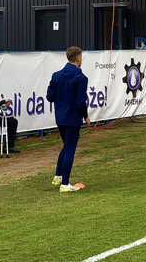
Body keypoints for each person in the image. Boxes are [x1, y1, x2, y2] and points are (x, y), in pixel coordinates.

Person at [46, 46, 88, 191]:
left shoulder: (56, 76)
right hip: (73, 118)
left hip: (60, 117)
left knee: (66, 146)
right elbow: (80, 102)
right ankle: (65, 184)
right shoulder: (81, 78)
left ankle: (58, 176)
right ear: (78, 58)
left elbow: (49, 97)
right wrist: (86, 116)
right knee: (70, 149)